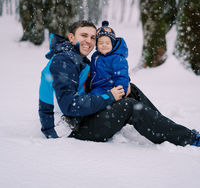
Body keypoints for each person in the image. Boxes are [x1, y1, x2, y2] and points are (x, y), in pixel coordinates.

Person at [38, 20, 200, 147]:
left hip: (81, 117)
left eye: (93, 37)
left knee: (130, 89)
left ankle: (165, 127)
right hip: (68, 128)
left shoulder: (76, 57)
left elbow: (96, 83)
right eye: (84, 35)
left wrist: (122, 85)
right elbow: (70, 106)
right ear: (72, 37)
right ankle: (186, 138)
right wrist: (109, 96)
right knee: (129, 106)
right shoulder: (63, 62)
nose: (89, 41)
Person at [89, 21, 129, 97]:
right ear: (96, 45)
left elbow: (122, 76)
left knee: (96, 99)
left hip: (109, 89)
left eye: (107, 43)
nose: (104, 45)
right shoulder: (95, 55)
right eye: (101, 43)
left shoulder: (117, 58)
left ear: (112, 45)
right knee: (89, 98)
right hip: (96, 87)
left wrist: (120, 92)